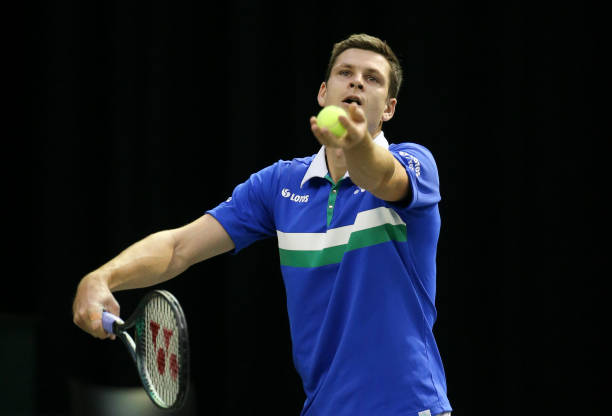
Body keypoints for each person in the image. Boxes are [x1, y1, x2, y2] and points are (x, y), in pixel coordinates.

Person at [73, 33, 452, 416]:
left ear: (388, 108)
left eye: (372, 78)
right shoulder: (279, 185)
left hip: (408, 407)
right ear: (323, 93)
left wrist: (356, 145)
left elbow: (381, 175)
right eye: (345, 73)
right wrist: (102, 278)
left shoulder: (415, 166)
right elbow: (177, 248)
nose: (356, 82)